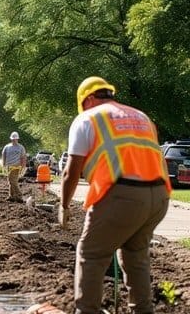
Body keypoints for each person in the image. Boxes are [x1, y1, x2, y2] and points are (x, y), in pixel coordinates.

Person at [60, 76, 172, 313]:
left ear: (88, 99)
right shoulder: (140, 116)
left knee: (91, 254)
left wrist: (64, 205)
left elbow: (71, 171)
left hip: (121, 195)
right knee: (135, 256)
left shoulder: (87, 119)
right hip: (159, 197)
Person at [1, 131, 27, 202]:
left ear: (17, 139)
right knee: (10, 181)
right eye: (13, 139)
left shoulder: (21, 147)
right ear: (11, 139)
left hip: (16, 167)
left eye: (15, 139)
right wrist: (3, 165)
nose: (14, 140)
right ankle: (11, 196)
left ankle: (19, 195)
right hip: (9, 166)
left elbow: (23, 157)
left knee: (13, 181)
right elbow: (3, 155)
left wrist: (23, 167)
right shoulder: (7, 147)